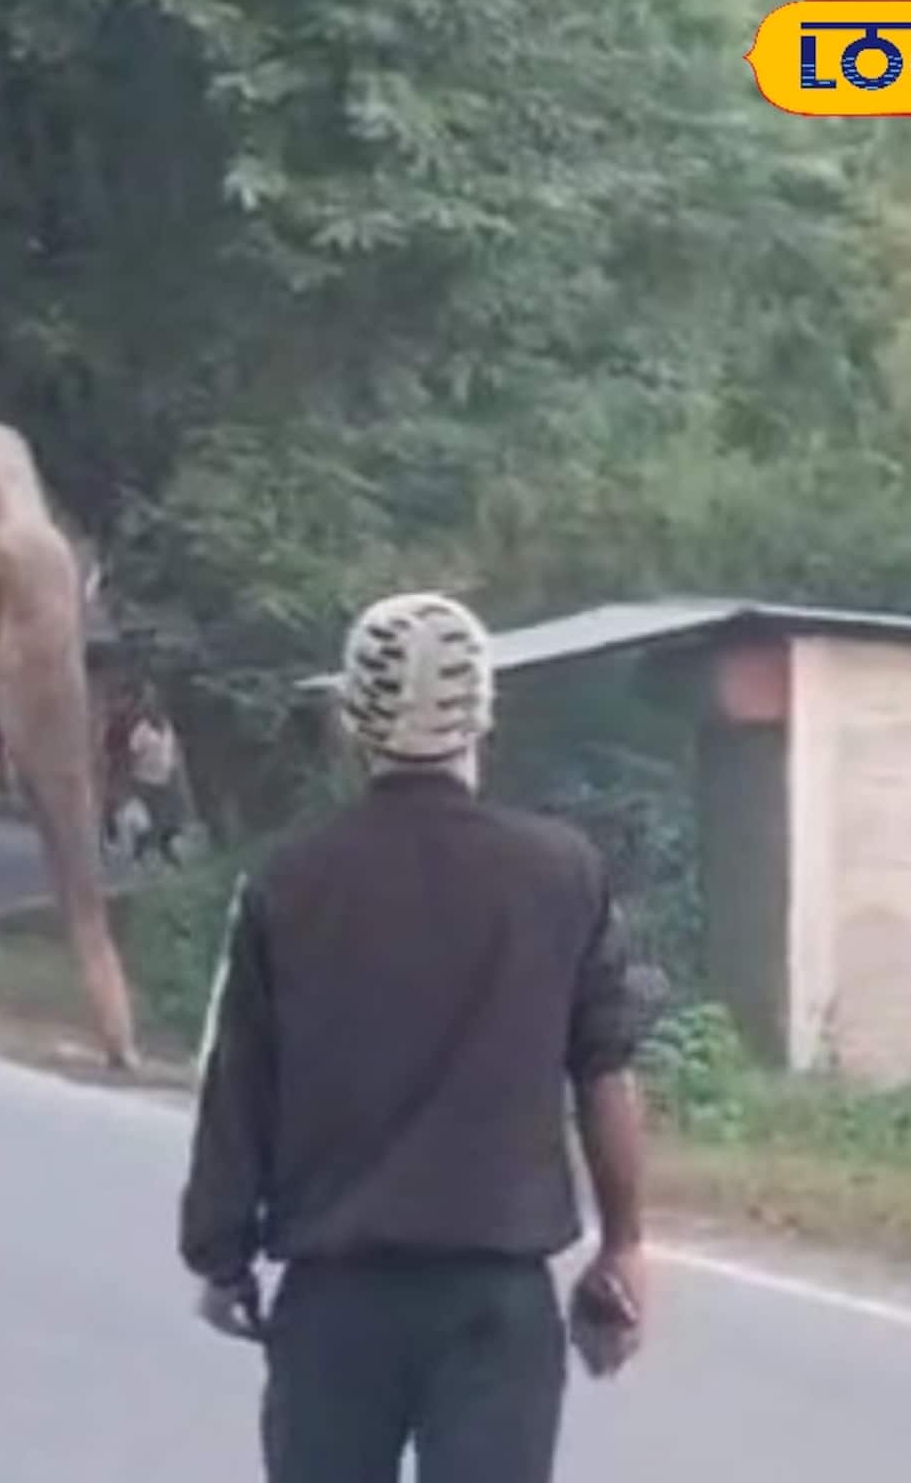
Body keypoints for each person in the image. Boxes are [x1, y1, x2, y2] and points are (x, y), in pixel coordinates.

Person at [179, 592, 649, 1483]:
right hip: (495, 1301)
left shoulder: (288, 884)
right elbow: (604, 1068)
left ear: (351, 720)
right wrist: (621, 1246)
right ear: (484, 713)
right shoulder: (560, 872)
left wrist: (224, 1256)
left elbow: (240, 1085)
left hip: (334, 1301)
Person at [126, 697, 185, 866]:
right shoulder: (142, 730)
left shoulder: (167, 727)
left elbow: (172, 749)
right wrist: (133, 777)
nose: (156, 714)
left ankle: (160, 847)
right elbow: (132, 753)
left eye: (158, 710)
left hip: (166, 778)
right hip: (146, 781)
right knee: (156, 820)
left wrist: (175, 769)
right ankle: (147, 848)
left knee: (173, 820)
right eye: (151, 710)